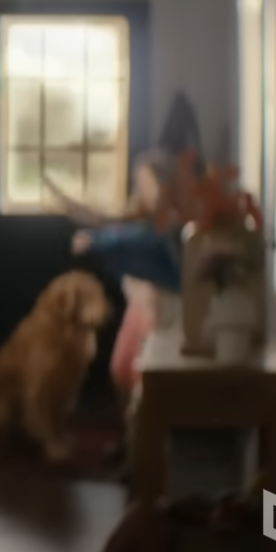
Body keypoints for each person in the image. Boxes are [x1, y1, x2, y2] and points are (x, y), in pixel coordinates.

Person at [48, 149, 184, 402]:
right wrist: (68, 204)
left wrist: (95, 240)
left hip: (161, 310)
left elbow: (138, 240)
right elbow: (106, 220)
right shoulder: (139, 214)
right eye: (140, 182)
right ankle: (131, 434)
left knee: (141, 380)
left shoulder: (170, 221)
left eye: (149, 182)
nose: (143, 189)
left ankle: (142, 437)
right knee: (120, 371)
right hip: (138, 309)